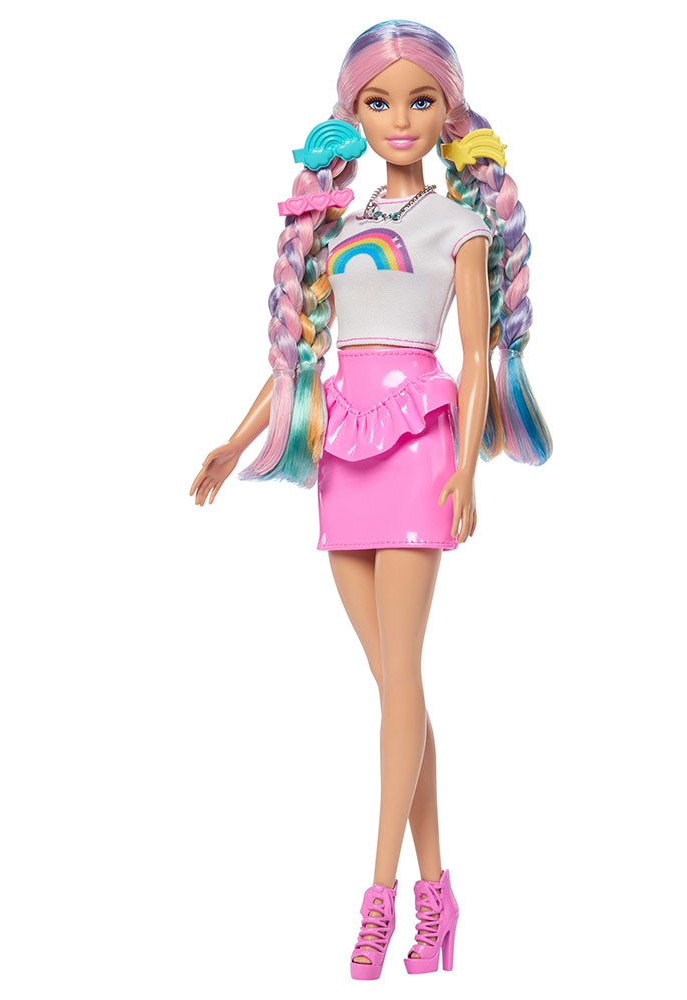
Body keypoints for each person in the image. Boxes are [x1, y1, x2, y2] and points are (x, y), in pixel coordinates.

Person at [189, 19, 551, 979]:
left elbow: (476, 351)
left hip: (420, 448)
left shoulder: (460, 227)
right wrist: (236, 440)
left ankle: (380, 895)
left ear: (448, 111)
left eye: (420, 101)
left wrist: (467, 467)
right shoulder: (335, 227)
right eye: (379, 102)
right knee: (396, 686)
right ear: (352, 113)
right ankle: (441, 894)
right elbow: (299, 356)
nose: (400, 118)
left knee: (401, 678)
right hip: (343, 450)